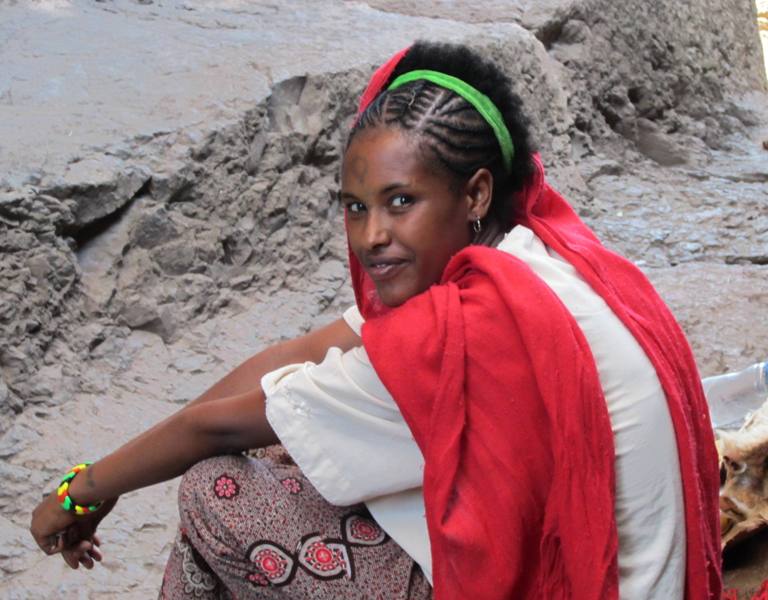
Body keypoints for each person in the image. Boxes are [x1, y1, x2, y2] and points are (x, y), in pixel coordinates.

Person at [30, 41, 722, 599]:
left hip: (580, 581)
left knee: (219, 489)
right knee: (286, 438)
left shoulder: (473, 325)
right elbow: (301, 352)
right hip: (608, 563)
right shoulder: (534, 247)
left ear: (474, 191)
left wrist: (82, 489)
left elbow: (211, 429)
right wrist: (113, 474)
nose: (370, 236)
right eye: (356, 206)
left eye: (400, 201)